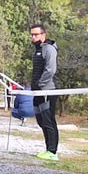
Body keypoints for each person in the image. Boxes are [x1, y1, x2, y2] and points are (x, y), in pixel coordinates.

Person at [30, 24, 59, 161]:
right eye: (32, 34)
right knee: (41, 120)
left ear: (43, 35)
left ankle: (52, 152)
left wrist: (41, 84)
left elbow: (50, 70)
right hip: (37, 92)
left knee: (48, 121)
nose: (33, 37)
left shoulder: (49, 49)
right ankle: (47, 149)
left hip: (47, 90)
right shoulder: (37, 51)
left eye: (36, 34)